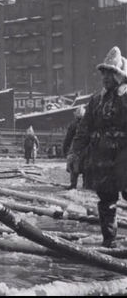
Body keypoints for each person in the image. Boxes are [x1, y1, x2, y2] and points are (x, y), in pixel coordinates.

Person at [67, 46, 127, 248]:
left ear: (119, 74)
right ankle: (110, 241)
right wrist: (75, 154)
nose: (105, 77)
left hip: (124, 158)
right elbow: (83, 130)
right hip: (102, 160)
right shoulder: (96, 100)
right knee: (106, 201)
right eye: (103, 73)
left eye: (110, 72)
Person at [62, 105, 87, 190]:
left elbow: (68, 138)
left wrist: (65, 149)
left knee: (73, 167)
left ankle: (73, 185)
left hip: (76, 148)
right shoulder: (89, 126)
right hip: (86, 149)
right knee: (85, 167)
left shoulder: (73, 125)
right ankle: (85, 185)